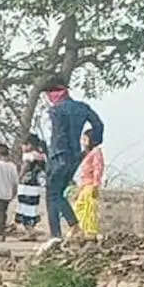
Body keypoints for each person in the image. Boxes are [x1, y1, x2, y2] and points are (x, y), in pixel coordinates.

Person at [43, 75, 103, 239]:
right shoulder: (82, 107)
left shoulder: (56, 110)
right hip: (76, 155)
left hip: (59, 155)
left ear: (53, 93)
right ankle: (72, 227)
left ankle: (60, 232)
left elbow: (59, 136)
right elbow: (98, 125)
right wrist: (91, 146)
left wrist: (54, 157)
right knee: (60, 192)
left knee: (52, 194)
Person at [72, 128, 104, 238]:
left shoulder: (96, 152)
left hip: (90, 186)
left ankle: (90, 233)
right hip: (84, 185)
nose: (83, 142)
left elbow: (97, 169)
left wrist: (96, 185)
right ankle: (82, 231)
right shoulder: (87, 154)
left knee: (89, 210)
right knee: (80, 209)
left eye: (85, 139)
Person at [15, 134, 46, 238]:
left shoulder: (28, 156)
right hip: (36, 186)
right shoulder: (41, 155)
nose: (22, 147)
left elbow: (25, 167)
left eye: (23, 145)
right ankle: (31, 230)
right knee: (32, 208)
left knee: (24, 208)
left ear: (29, 145)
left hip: (26, 185)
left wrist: (19, 178)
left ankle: (29, 232)